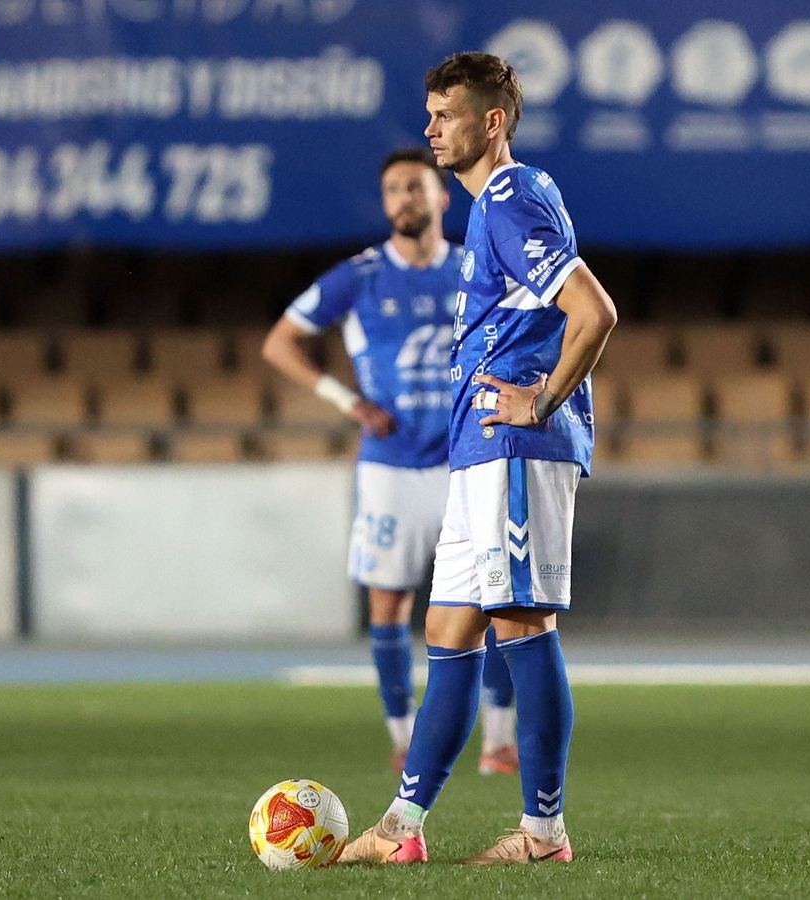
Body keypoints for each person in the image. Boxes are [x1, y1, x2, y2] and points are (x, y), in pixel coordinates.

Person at [339, 50, 618, 866]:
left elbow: (593, 311)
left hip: (515, 447)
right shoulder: (488, 212)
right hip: (476, 453)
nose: (429, 128)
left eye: (446, 113)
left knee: (523, 623)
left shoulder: (509, 200)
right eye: (427, 113)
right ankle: (400, 829)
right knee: (450, 628)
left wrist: (543, 398)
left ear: (491, 122)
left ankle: (542, 832)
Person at [262, 147, 519, 775]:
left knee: (500, 601)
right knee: (390, 606)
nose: (404, 199)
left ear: (441, 197)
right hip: (391, 466)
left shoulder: (475, 266)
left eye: (415, 187)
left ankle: (499, 743)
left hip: (467, 459)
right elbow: (280, 342)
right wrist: (346, 400)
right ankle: (403, 735)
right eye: (393, 190)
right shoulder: (361, 275)